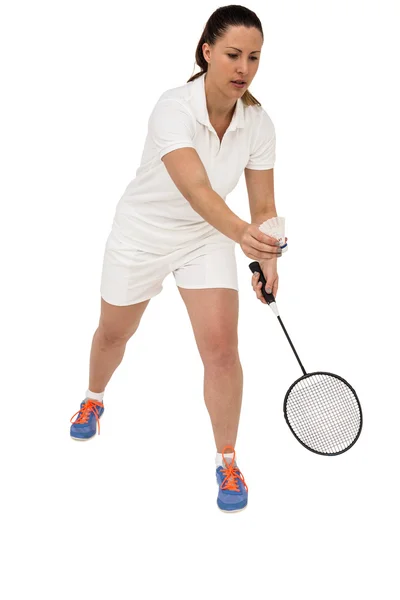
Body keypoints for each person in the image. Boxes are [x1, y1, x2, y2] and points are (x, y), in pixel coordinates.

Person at [69, 5, 287, 513]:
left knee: (221, 350)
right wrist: (244, 238)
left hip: (206, 239)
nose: (244, 68)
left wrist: (270, 255)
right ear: (207, 51)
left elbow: (265, 208)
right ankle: (94, 398)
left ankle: (227, 460)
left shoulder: (259, 122)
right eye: (233, 55)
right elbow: (196, 189)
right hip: (142, 233)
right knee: (114, 334)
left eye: (254, 58)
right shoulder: (173, 107)